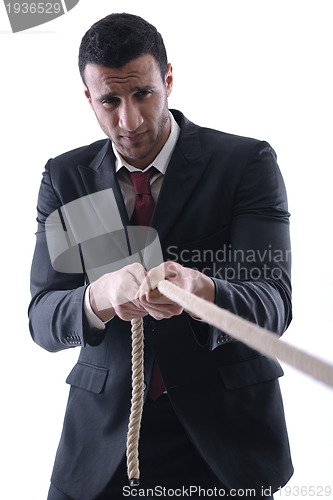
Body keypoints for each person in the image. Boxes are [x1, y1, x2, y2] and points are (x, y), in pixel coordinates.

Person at [29, 12, 293, 500]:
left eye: (143, 94)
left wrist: (202, 291)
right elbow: (43, 318)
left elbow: (273, 303)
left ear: (168, 79)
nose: (128, 120)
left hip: (225, 446)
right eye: (110, 100)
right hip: (99, 449)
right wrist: (100, 296)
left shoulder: (245, 164)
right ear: (89, 98)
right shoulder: (65, 178)